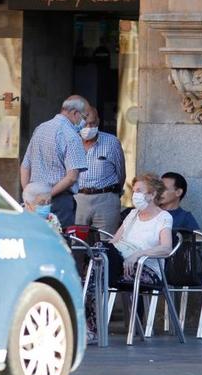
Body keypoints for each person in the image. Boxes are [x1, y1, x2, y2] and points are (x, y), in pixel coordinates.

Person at [84, 173, 172, 343]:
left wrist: (138, 254)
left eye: (140, 191)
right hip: (120, 263)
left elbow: (166, 248)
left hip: (144, 268)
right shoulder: (132, 215)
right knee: (98, 253)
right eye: (134, 191)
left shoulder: (163, 217)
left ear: (152, 194)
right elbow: (114, 241)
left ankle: (91, 329)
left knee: (94, 277)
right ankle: (90, 327)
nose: (135, 195)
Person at [20, 95, 89, 227]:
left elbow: (25, 166)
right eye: (84, 117)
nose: (84, 122)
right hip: (58, 201)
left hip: (32, 201)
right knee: (59, 242)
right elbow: (71, 177)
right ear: (75, 113)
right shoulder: (71, 136)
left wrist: (29, 195)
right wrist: (46, 196)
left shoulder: (40, 128)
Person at [74, 106, 125, 236]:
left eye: (93, 123)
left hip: (106, 199)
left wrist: (112, 195)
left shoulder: (111, 142)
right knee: (76, 243)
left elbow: (121, 173)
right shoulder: (70, 142)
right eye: (85, 124)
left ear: (98, 121)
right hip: (77, 200)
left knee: (106, 244)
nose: (89, 127)